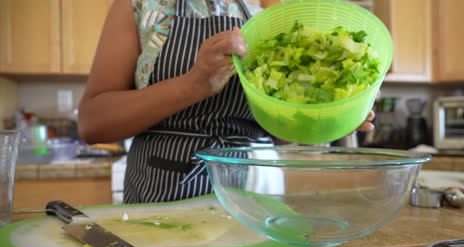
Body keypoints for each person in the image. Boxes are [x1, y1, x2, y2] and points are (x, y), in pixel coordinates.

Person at [78, 0, 375, 204]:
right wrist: (194, 84)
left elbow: (279, 132)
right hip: (164, 188)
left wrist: (327, 119)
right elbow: (93, 124)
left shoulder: (272, 10)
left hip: (260, 190)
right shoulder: (142, 6)